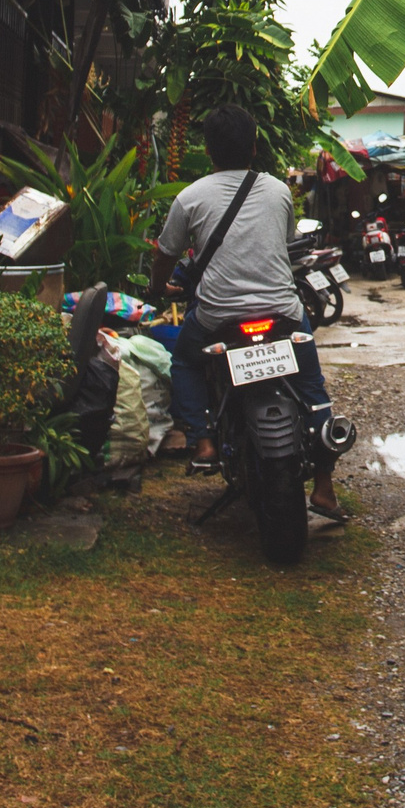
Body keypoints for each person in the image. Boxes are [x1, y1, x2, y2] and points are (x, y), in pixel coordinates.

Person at [142, 104, 342, 517]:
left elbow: (165, 254)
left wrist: (159, 287)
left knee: (184, 361)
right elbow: (283, 240)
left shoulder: (189, 197)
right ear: (254, 148)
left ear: (209, 151)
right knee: (311, 386)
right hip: (283, 313)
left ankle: (203, 442)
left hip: (218, 318)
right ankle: (324, 486)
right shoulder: (278, 191)